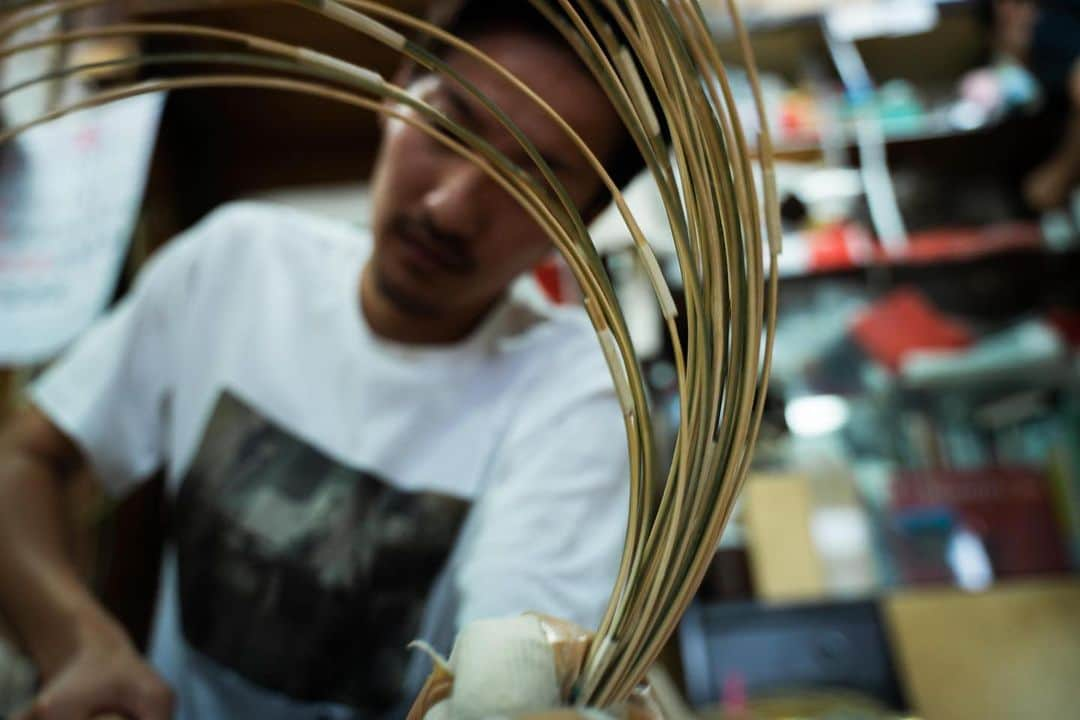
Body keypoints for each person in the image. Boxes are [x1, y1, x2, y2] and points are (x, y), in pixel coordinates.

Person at [0, 2, 651, 718]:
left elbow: (510, 683)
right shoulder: (236, 262)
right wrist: (79, 642)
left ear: (584, 221)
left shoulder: (576, 394)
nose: (450, 206)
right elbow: (27, 457)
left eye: (536, 182)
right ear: (396, 90)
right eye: (447, 125)